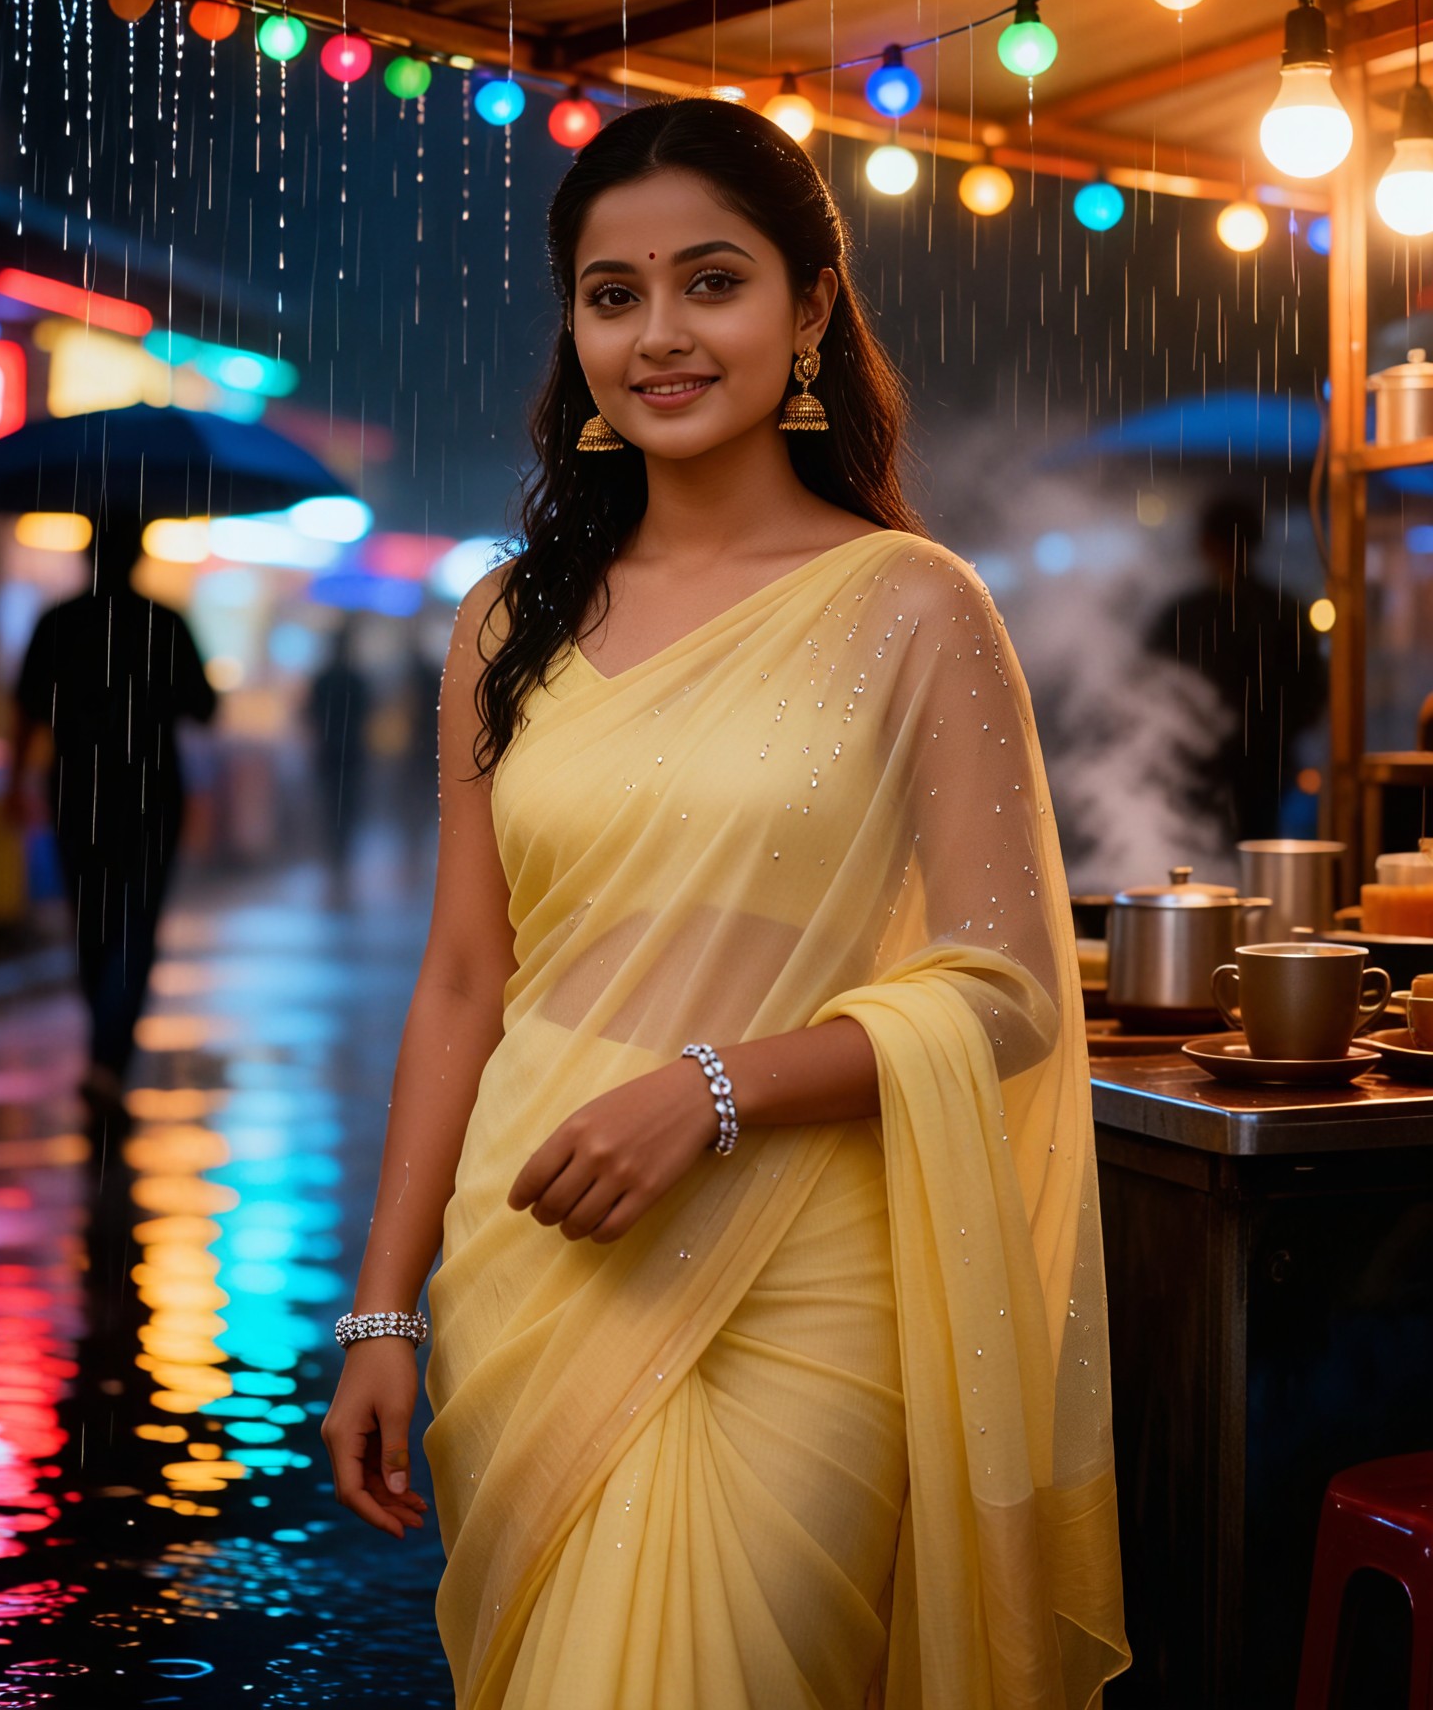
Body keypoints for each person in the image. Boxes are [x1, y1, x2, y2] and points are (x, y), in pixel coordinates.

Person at [321, 99, 1129, 1706]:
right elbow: (465, 980)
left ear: (811, 308)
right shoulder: (504, 622)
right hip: (533, 1244)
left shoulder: (910, 606)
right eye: (613, 295)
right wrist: (382, 1312)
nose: (660, 334)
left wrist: (712, 1092)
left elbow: (1006, 990)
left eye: (712, 281)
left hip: (798, 1269)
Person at [7, 514, 216, 1112]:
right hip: (151, 796)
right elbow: (203, 709)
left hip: (78, 794)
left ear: (89, 556)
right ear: (138, 557)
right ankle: (107, 1058)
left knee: (91, 926)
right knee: (137, 926)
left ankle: (102, 1046)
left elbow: (25, 710)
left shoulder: (59, 623)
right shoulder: (164, 624)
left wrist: (15, 783)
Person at [1144, 494, 1328, 843]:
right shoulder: (1284, 611)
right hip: (1264, 768)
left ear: (1207, 544)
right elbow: (1311, 694)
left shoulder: (1185, 614)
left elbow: (1148, 689)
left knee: (1192, 859)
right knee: (1256, 858)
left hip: (1196, 767)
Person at [307, 619, 369, 875]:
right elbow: (367, 712)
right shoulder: (356, 679)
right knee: (348, 801)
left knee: (331, 801)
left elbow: (310, 712)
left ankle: (334, 848)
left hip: (328, 749)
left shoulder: (322, 679)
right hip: (351, 750)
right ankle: (342, 849)